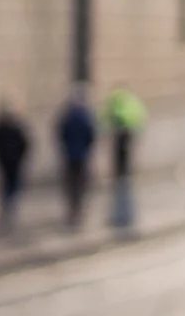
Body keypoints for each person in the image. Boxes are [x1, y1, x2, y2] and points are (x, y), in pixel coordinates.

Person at [0, 98, 32, 230]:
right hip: (11, 160)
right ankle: (9, 205)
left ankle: (8, 205)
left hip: (7, 160)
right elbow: (25, 143)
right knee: (11, 185)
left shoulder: (3, 126)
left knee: (9, 185)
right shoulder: (11, 125)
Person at [103, 84, 145, 229]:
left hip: (122, 146)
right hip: (124, 146)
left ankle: (122, 216)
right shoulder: (129, 103)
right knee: (124, 181)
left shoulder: (116, 103)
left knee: (122, 181)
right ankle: (123, 215)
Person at [56, 85, 96, 229]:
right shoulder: (86, 116)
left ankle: (72, 210)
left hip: (69, 155)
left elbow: (60, 133)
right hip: (82, 155)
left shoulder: (66, 116)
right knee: (80, 184)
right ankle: (78, 210)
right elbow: (91, 135)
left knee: (71, 185)